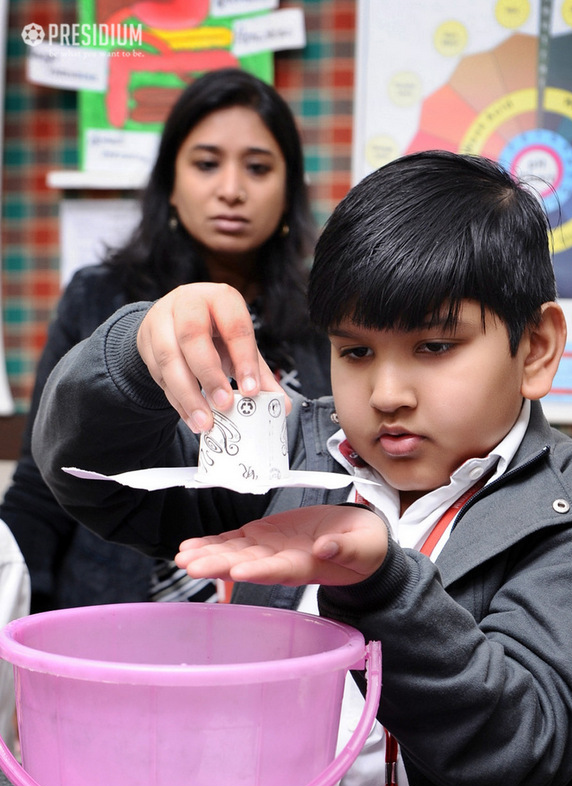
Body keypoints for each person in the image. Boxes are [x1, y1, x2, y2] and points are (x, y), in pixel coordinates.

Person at [32, 152, 572, 786]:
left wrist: (379, 582)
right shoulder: (291, 454)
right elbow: (92, 481)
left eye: (436, 347)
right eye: (355, 350)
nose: (388, 392)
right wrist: (131, 357)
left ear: (534, 349)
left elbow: (521, 742)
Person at [1, 67, 330, 612]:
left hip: (282, 624)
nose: (231, 188)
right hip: (117, 617)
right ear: (170, 184)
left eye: (257, 167)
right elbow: (43, 484)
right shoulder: (98, 297)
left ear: (289, 189)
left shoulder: (330, 317)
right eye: (206, 164)